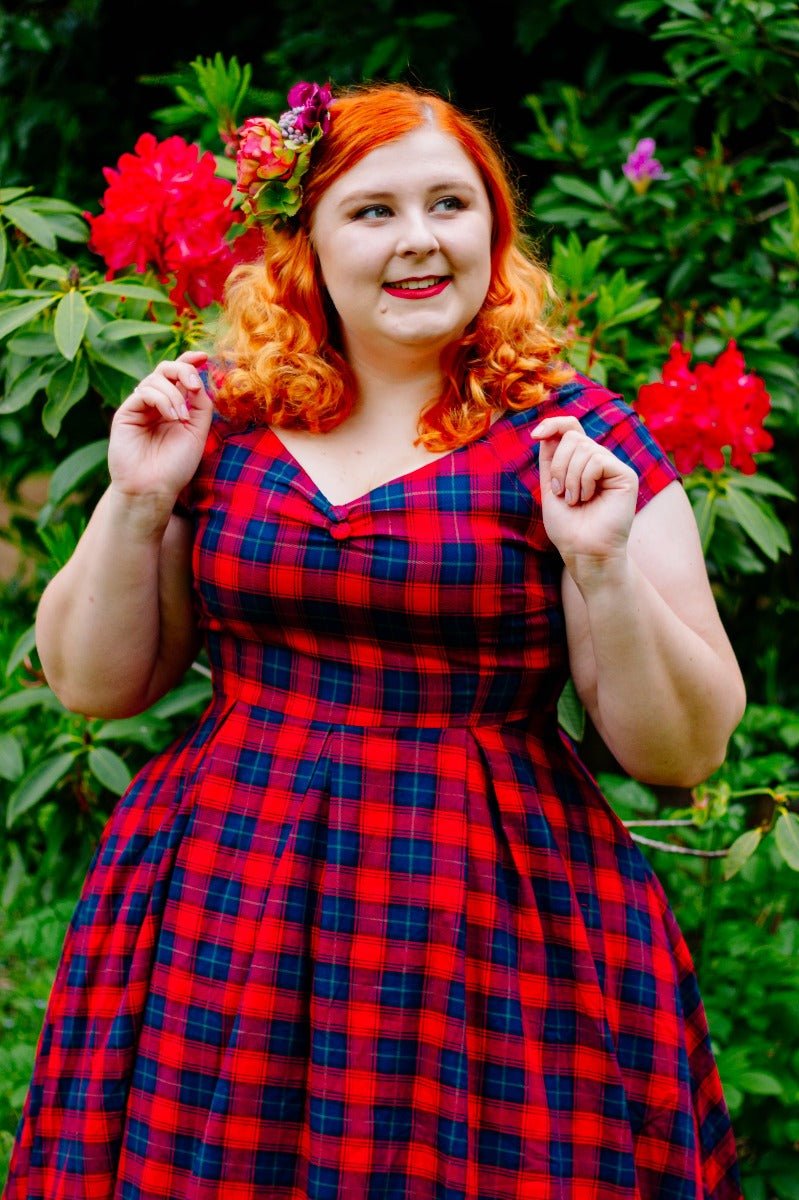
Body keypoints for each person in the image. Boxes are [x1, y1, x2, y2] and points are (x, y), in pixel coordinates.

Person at [4, 82, 746, 1200]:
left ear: (493, 231)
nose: (419, 241)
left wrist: (598, 566)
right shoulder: (219, 416)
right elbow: (93, 683)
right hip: (229, 895)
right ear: (306, 238)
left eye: (451, 204)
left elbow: (682, 751)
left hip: (489, 910)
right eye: (373, 211)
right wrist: (138, 501)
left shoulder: (577, 439)